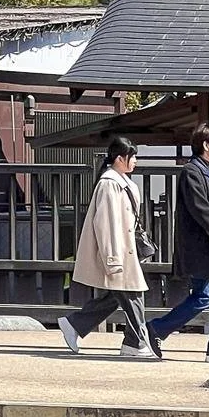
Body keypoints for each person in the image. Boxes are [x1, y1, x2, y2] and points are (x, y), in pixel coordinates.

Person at [147, 122, 209, 361]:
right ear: (206, 145)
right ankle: (156, 329)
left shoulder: (206, 172)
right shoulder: (192, 172)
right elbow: (203, 211)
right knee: (205, 296)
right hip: (203, 248)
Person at [57, 136, 155, 359]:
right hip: (118, 252)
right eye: (133, 157)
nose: (136, 161)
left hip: (124, 250)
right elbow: (106, 224)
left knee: (119, 296)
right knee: (133, 296)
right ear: (120, 159)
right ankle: (136, 342)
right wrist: (113, 259)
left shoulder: (119, 183)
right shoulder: (110, 184)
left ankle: (76, 324)